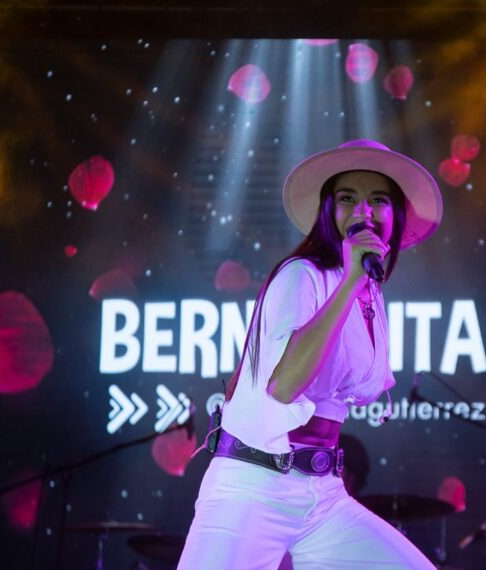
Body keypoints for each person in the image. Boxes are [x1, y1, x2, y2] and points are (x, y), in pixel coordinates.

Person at [177, 139, 443, 569]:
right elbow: (284, 387)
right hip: (252, 487)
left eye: (378, 200)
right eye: (348, 199)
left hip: (321, 495)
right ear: (327, 211)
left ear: (395, 215)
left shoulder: (368, 292)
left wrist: (356, 283)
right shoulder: (301, 275)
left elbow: (358, 389)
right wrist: (349, 283)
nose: (364, 212)